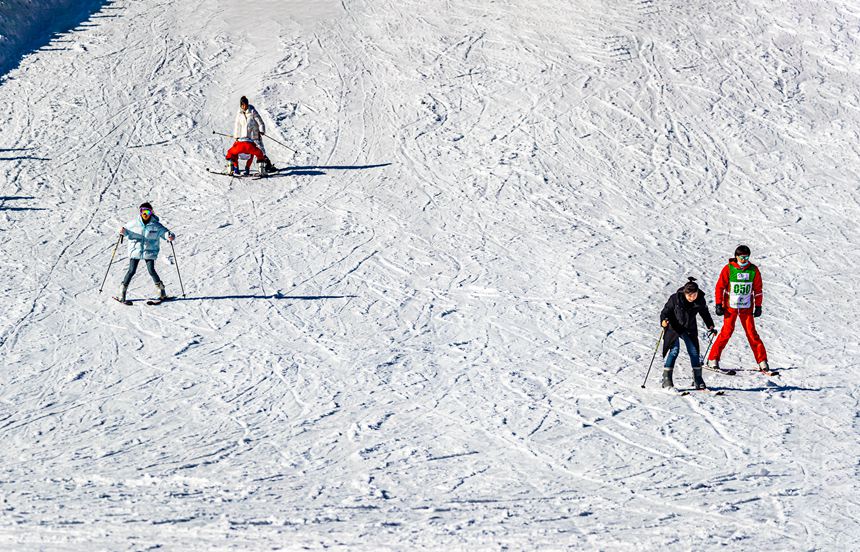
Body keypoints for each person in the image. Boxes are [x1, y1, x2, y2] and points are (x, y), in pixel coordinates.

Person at [706, 245, 770, 372]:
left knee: (752, 333)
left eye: (747, 257)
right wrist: (719, 304)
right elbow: (720, 287)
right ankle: (713, 359)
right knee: (727, 332)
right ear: (736, 256)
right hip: (731, 307)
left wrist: (758, 306)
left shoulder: (753, 270)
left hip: (746, 307)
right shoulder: (729, 269)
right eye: (742, 257)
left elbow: (758, 290)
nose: (744, 259)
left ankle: (762, 361)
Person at [660, 277, 717, 390]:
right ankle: (667, 378)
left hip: (689, 327)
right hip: (673, 327)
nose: (692, 298)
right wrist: (664, 320)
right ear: (685, 293)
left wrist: (710, 324)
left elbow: (704, 312)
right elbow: (666, 311)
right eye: (689, 295)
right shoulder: (675, 298)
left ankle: (698, 378)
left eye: (694, 295)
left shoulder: (700, 299)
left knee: (694, 352)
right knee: (674, 351)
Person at [116, 202, 175, 303]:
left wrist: (169, 236)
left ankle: (161, 292)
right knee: (131, 271)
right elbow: (125, 230)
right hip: (136, 250)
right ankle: (122, 293)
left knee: (151, 270)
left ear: (151, 212)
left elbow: (164, 232)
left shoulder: (155, 225)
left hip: (149, 251)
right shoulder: (134, 223)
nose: (145, 213)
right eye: (142, 211)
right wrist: (122, 231)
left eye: (147, 211)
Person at [226, 96, 275, 176]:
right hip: (244, 136)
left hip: (254, 134)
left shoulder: (252, 111)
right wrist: (236, 136)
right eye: (242, 105)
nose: (244, 106)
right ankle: (236, 167)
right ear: (241, 105)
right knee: (242, 150)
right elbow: (237, 125)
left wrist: (262, 130)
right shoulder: (239, 113)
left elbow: (260, 121)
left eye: (245, 105)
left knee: (260, 150)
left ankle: (267, 165)